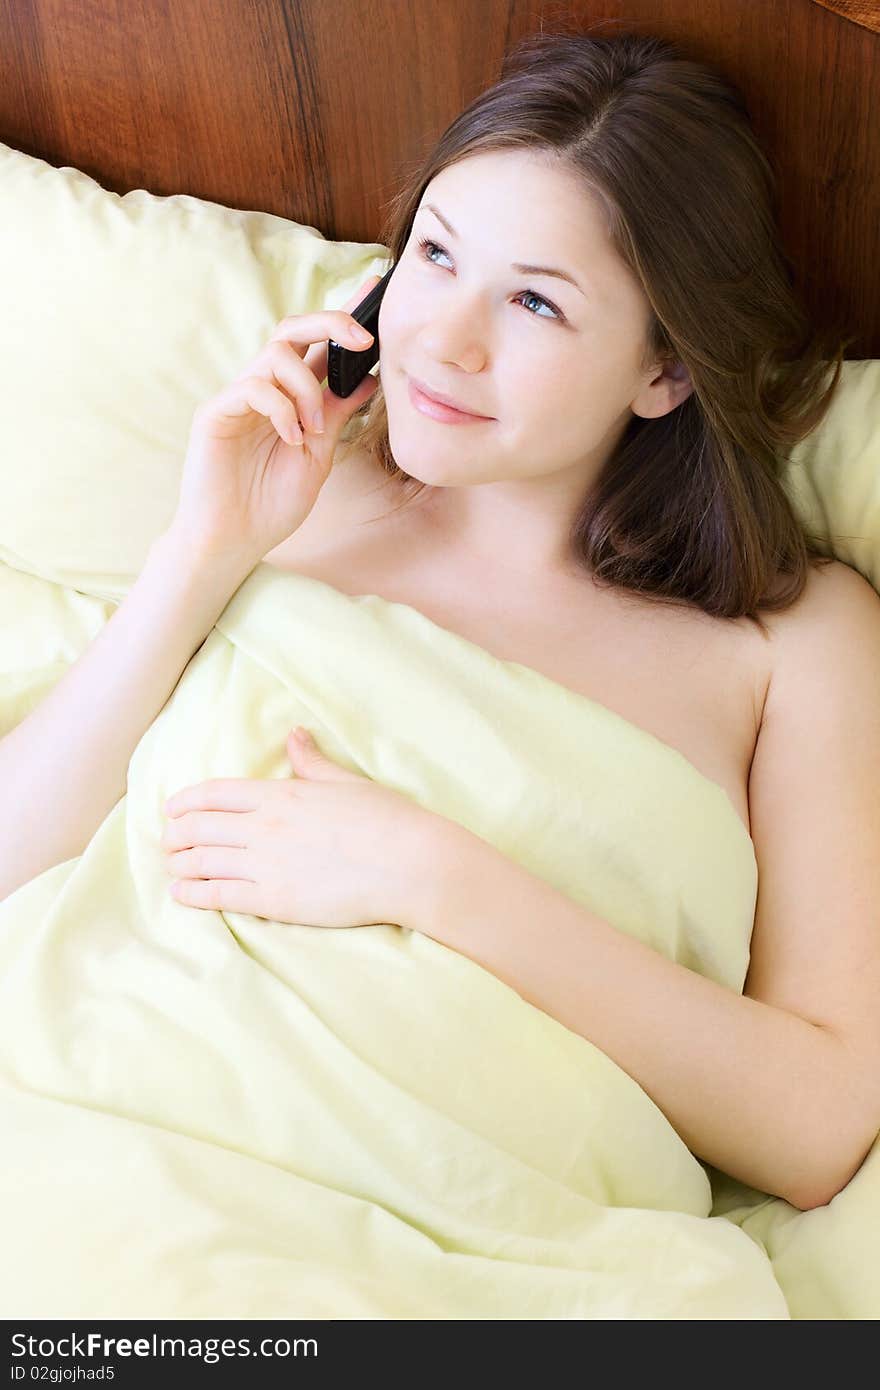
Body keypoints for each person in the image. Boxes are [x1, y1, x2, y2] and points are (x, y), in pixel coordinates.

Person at [1, 29, 878, 1213]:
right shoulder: (297, 498)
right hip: (81, 1098)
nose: (443, 341)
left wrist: (435, 877)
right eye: (434, 255)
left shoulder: (794, 639)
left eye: (533, 300)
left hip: (444, 1219)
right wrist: (202, 554)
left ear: (664, 371)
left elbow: (815, 1124)